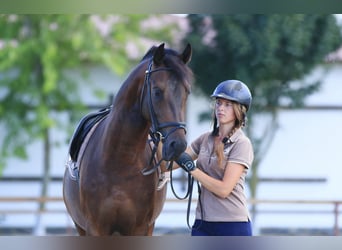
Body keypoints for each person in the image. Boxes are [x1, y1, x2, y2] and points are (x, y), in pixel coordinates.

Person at [175, 79, 254, 236]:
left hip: (232, 225)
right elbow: (169, 164)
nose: (221, 108)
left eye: (228, 105)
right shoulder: (205, 139)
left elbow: (224, 189)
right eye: (219, 103)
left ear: (239, 110)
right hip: (202, 223)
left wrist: (192, 169)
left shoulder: (241, 143)